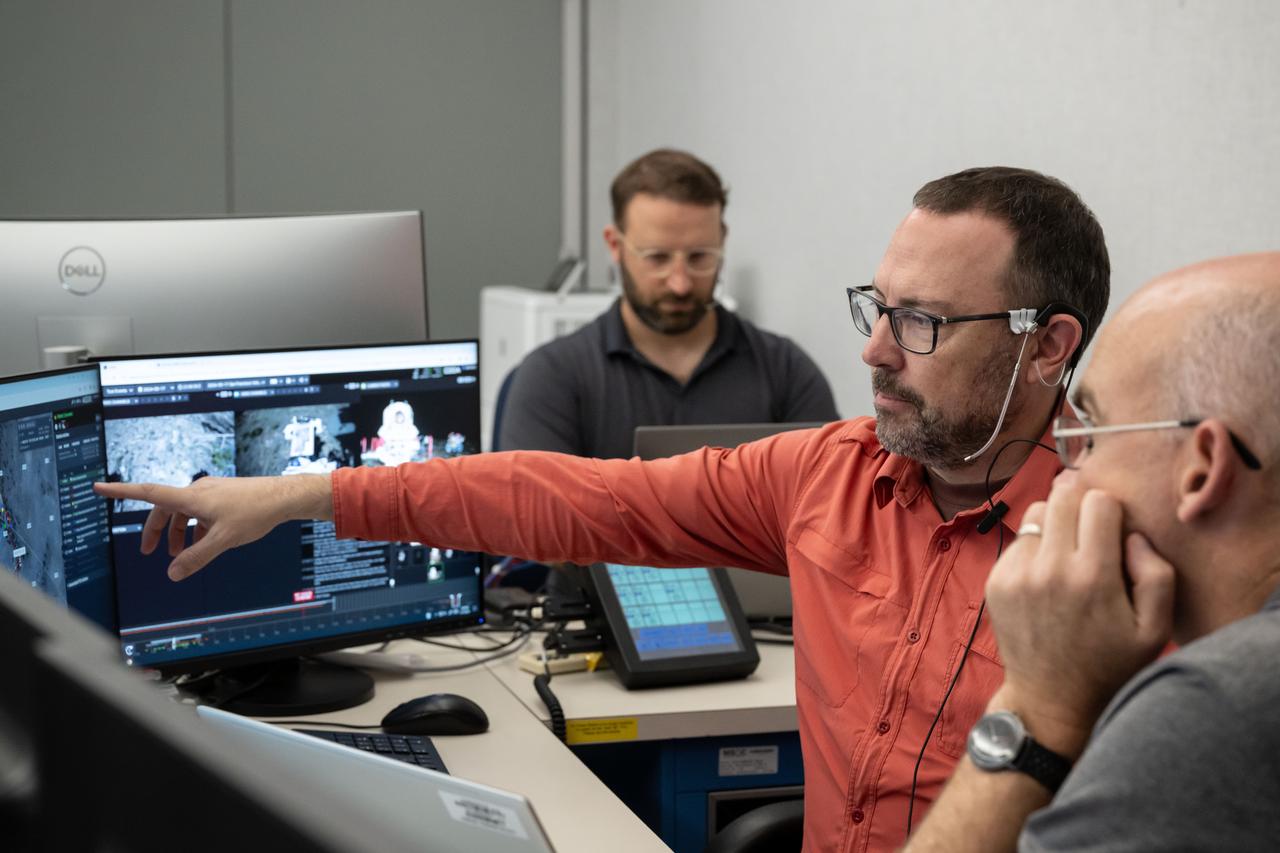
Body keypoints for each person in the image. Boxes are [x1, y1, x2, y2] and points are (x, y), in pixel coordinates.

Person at [95, 166, 1110, 853]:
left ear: (1047, 343)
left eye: (920, 322)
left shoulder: (1119, 550)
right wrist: (302, 492)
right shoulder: (825, 475)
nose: (873, 350)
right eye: (875, 306)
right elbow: (574, 497)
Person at [904, 252, 1280, 852]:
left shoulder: (1215, 705)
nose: (1067, 474)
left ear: (1201, 467)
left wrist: (1037, 708)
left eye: (1094, 434)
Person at [496, 148, 839, 459]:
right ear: (614, 245)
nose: (680, 283)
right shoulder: (552, 378)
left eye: (700, 257)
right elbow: (537, 521)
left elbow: (829, 505)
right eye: (657, 257)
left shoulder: (786, 371)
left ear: (723, 240)